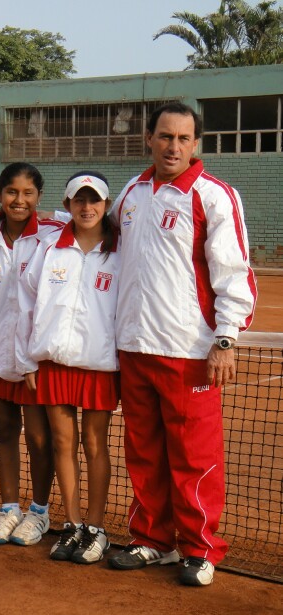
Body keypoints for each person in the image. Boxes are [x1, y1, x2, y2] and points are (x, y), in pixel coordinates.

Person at [107, 102, 256, 586]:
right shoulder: (132, 191)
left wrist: (226, 339)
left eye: (183, 139)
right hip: (133, 346)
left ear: (196, 144)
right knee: (145, 452)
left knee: (195, 456)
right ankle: (153, 540)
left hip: (189, 352)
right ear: (149, 138)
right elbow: (97, 235)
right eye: (165, 136)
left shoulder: (214, 197)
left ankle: (200, 548)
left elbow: (233, 274)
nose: (173, 146)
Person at [17, 171, 119, 563]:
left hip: (98, 364)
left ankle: (96, 527)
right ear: (67, 205)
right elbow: (26, 304)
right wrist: (27, 358)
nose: (87, 207)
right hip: (54, 363)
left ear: (106, 206)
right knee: (62, 443)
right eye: (80, 200)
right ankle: (73, 524)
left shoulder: (119, 251)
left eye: (95, 201)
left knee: (94, 444)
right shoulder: (49, 248)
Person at [0, 162, 63, 546]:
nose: (19, 200)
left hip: (35, 360)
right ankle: (8, 509)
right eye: (11, 192)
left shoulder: (53, 237)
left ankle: (38, 511)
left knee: (39, 438)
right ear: (0, 194)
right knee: (4, 433)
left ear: (39, 197)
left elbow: (95, 218)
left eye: (28, 193)